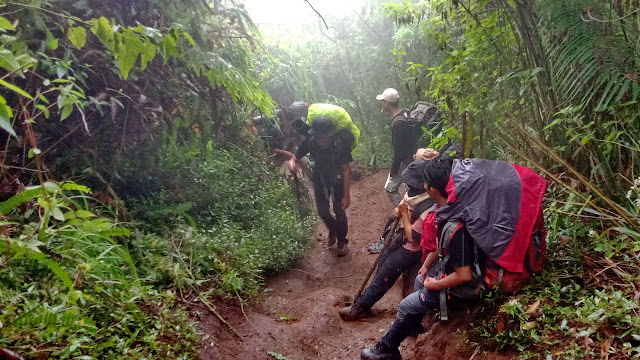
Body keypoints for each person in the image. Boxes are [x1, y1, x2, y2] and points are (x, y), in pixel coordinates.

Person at [360, 156, 487, 360]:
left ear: (432, 189)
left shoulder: (458, 229)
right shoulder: (449, 207)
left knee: (405, 305)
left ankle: (387, 349)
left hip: (467, 284)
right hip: (451, 268)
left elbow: (463, 275)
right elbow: (442, 244)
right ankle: (412, 323)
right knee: (420, 279)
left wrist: (436, 284)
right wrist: (428, 263)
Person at [339, 160, 435, 321]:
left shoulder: (428, 206)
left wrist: (404, 213)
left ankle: (359, 308)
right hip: (400, 240)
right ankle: (364, 300)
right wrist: (400, 211)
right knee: (382, 268)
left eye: (412, 185)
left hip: (411, 249)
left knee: (385, 276)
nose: (408, 188)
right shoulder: (414, 197)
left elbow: (414, 238)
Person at [288, 116, 354, 257]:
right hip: (320, 180)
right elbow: (296, 156)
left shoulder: (340, 144)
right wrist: (292, 162)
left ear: (331, 135)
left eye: (325, 137)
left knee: (339, 211)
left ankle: (342, 242)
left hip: (338, 181)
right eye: (318, 137)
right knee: (323, 211)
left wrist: (347, 196)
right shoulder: (310, 142)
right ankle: (334, 230)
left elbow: (346, 169)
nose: (322, 140)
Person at [368, 89, 420, 254]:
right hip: (413, 159)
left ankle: (403, 212)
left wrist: (393, 169)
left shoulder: (397, 123)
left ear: (387, 104)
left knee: (390, 188)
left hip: (405, 162)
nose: (381, 104)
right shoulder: (405, 113)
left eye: (383, 101)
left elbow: (398, 150)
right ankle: (406, 210)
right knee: (408, 190)